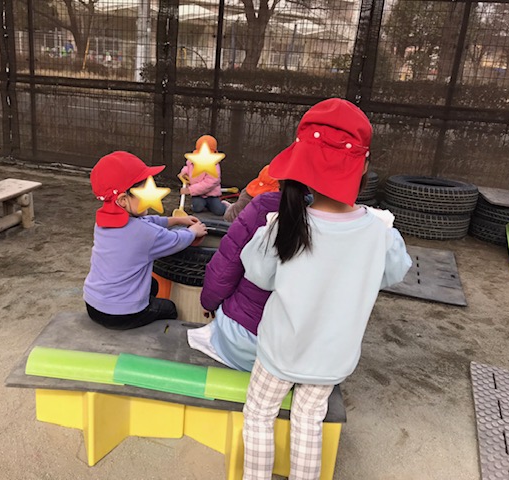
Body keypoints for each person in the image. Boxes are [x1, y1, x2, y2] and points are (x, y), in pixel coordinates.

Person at [239, 98, 412, 480]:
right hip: (331, 357)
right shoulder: (380, 233)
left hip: (279, 349)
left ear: (300, 162)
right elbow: (394, 273)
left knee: (259, 415)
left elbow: (257, 274)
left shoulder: (283, 224)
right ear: (363, 166)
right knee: (308, 422)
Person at [83, 151, 207, 330]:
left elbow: (146, 222)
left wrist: (175, 220)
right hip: (119, 315)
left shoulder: (103, 222)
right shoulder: (146, 234)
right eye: (145, 190)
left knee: (153, 285)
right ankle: (155, 337)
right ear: (123, 200)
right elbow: (175, 240)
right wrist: (193, 232)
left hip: (93, 304)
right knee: (169, 308)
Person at [188, 189, 282, 371]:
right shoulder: (332, 229)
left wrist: (209, 302)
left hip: (242, 339)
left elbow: (226, 266)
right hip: (301, 355)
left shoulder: (264, 207)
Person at [180, 135, 229, 216]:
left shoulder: (214, 165)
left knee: (220, 211)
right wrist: (183, 173)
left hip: (211, 194)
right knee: (197, 208)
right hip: (198, 194)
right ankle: (203, 205)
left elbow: (210, 182)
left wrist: (190, 190)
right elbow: (187, 167)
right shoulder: (193, 160)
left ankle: (221, 204)